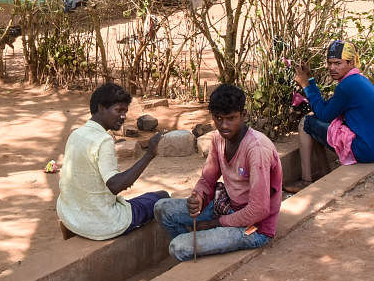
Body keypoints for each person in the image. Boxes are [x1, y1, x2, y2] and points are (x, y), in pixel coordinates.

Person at [154, 84, 282, 261]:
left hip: (255, 227)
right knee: (162, 208)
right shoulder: (217, 138)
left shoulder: (257, 149)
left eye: (231, 118)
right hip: (227, 207)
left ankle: (193, 249)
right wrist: (198, 196)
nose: (224, 125)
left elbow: (259, 210)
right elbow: (208, 178)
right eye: (218, 118)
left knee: (178, 246)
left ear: (243, 115)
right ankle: (196, 250)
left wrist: (216, 223)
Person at [56, 83, 169, 240]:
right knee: (162, 197)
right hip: (102, 222)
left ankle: (76, 228)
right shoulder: (103, 140)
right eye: (118, 110)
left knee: (131, 201)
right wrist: (149, 154)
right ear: (101, 108)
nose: (123, 116)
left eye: (125, 112)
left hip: (70, 213)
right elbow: (115, 185)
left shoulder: (76, 134)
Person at [288, 40, 374, 191]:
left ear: (350, 63)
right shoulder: (357, 79)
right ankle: (324, 172)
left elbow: (324, 114)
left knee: (306, 123)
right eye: (329, 63)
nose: (332, 68)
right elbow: (326, 110)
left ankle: (306, 180)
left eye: (337, 63)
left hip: (365, 150)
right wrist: (310, 80)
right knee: (314, 123)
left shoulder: (347, 86)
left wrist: (305, 86)